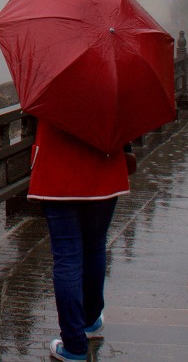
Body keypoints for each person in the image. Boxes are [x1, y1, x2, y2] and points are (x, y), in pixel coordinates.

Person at [28, 118, 138, 361]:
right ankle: (89, 321)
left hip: (57, 169)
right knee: (95, 246)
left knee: (67, 258)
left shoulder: (50, 82)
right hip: (104, 168)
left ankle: (75, 345)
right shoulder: (112, 82)